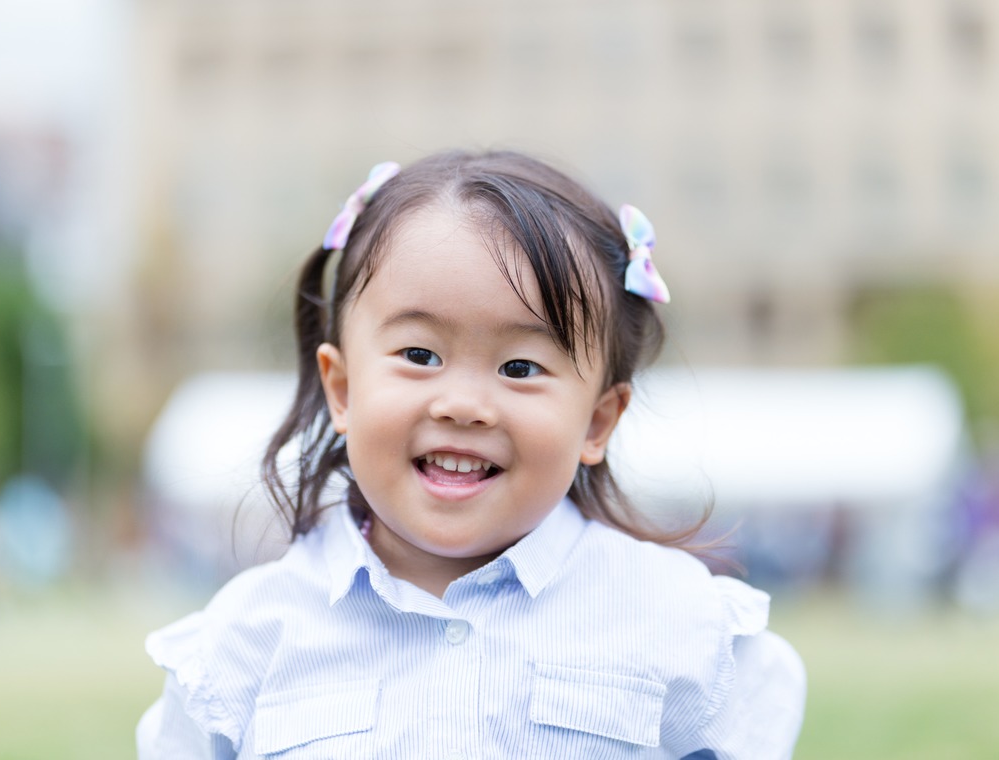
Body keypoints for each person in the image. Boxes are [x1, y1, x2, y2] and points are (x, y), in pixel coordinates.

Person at [137, 150, 806, 759]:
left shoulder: (677, 621)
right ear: (341, 389)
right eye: (419, 355)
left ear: (598, 421)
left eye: (519, 367)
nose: (463, 404)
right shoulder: (248, 640)